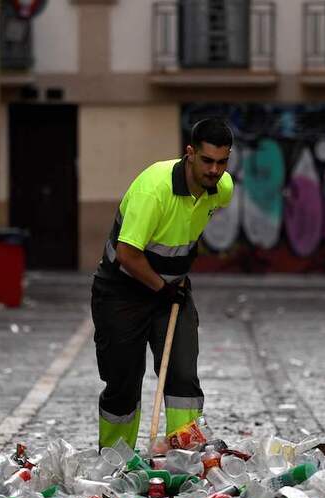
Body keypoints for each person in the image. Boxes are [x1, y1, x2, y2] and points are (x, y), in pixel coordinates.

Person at [91, 118, 234, 450]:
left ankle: (184, 451)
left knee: (183, 374)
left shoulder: (222, 189)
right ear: (189, 153)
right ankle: (116, 456)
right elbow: (127, 253)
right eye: (207, 161)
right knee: (122, 382)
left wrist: (172, 285)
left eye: (222, 162)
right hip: (121, 292)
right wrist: (162, 287)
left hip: (172, 291)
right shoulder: (154, 190)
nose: (215, 171)